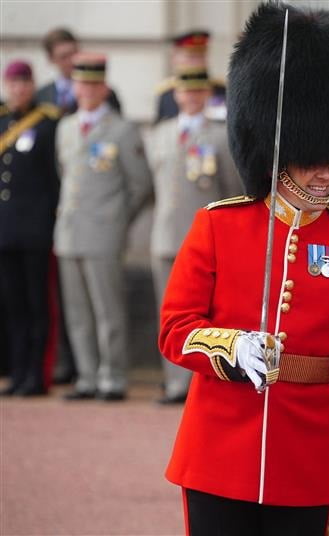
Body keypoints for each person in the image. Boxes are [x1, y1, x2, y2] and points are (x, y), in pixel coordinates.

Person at [157, 5, 329, 534]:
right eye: (311, 156)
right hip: (218, 452)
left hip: (303, 457)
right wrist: (231, 347)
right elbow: (176, 330)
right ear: (280, 152)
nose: (325, 170)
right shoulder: (218, 226)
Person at [55, 53, 152, 401]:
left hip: (104, 233)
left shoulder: (122, 130)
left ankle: (112, 376)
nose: (87, 89)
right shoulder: (65, 127)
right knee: (77, 312)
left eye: (94, 83)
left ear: (104, 87)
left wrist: (117, 218)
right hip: (68, 232)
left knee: (107, 310)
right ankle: (86, 376)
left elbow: (140, 184)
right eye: (82, 82)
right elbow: (66, 176)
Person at [147, 66, 242, 405]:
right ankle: (174, 382)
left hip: (206, 241)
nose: (191, 97)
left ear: (206, 95)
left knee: (206, 313)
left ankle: (201, 380)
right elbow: (148, 186)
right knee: (169, 314)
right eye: (186, 91)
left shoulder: (220, 135)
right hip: (167, 235)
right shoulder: (159, 133)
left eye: (198, 91)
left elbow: (232, 190)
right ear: (176, 94)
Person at [0, 61, 60, 396]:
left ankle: (37, 375)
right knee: (13, 305)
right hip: (5, 231)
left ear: (32, 85)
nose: (19, 89)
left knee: (38, 305)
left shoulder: (48, 124)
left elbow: (53, 180)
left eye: (24, 83)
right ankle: (18, 371)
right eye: (13, 83)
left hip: (36, 229)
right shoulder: (3, 121)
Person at [36, 28, 121, 115]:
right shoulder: (41, 95)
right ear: (51, 59)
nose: (71, 61)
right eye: (64, 57)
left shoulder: (103, 93)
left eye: (74, 54)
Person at [154, 30, 227, 123]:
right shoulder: (167, 93)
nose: (197, 63)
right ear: (175, 59)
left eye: (201, 56)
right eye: (191, 57)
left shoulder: (220, 90)